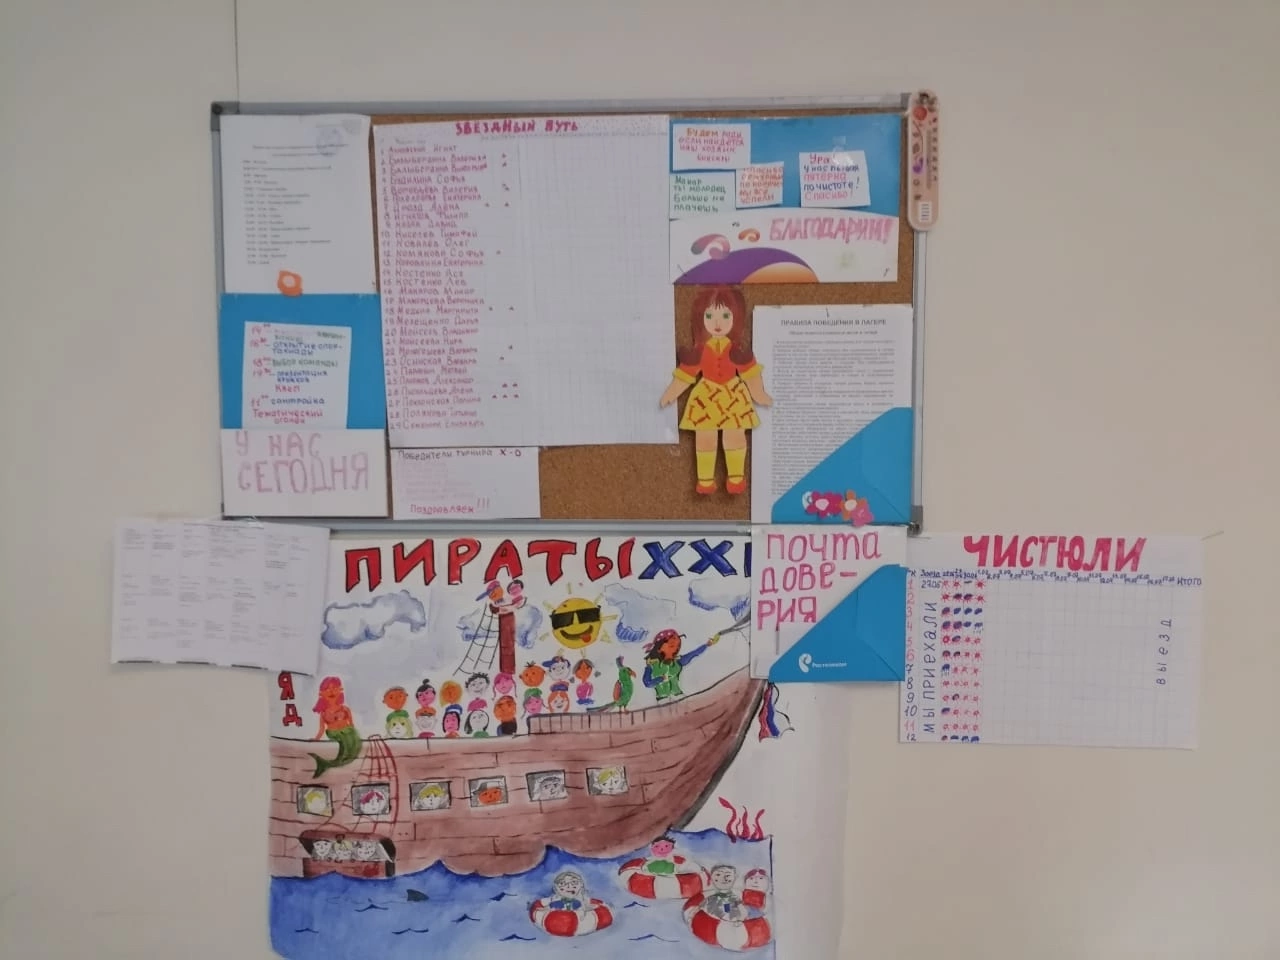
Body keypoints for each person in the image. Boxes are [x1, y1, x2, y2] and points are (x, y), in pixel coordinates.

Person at [658, 285, 772, 495]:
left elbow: (749, 373)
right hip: (706, 397)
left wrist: (759, 394)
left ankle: (736, 477)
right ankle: (705, 480)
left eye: (725, 316)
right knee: (705, 438)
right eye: (710, 316)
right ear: (700, 319)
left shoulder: (737, 351)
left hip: (732, 396)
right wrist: (671, 394)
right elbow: (686, 374)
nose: (717, 323)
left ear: (736, 318)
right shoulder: (699, 352)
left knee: (735, 436)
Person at [642, 629, 717, 702]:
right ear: (659, 648)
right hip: (663, 699)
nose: (673, 644)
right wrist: (660, 679)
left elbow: (693, 654)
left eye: (676, 643)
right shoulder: (652, 665)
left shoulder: (677, 662)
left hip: (679, 696)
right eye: (669, 642)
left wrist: (706, 645)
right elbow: (648, 683)